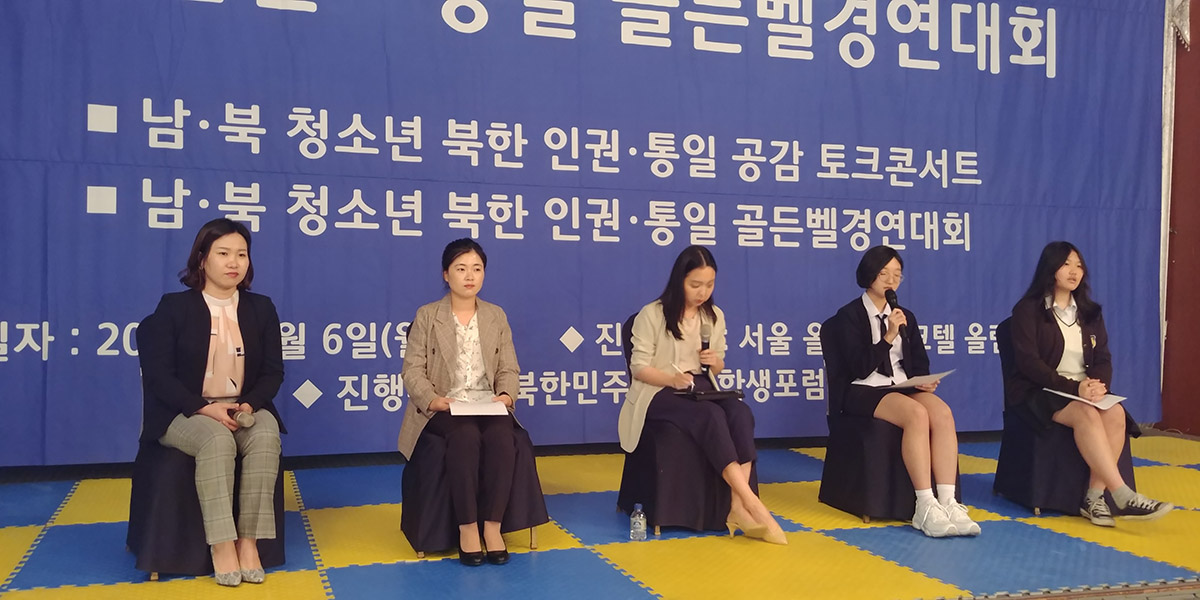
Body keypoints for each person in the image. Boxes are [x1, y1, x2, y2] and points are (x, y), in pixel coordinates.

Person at [139, 218, 284, 586]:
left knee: (266, 435)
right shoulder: (173, 307)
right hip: (184, 410)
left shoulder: (261, 308)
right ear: (202, 259)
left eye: (242, 254)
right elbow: (158, 377)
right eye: (223, 253)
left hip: (243, 407)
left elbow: (273, 372)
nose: (234, 262)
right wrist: (204, 408)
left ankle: (249, 543)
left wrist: (249, 404)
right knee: (217, 440)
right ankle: (222, 545)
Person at [618, 245, 787, 545]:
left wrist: (714, 362)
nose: (703, 292)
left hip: (699, 386)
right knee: (709, 415)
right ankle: (752, 501)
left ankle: (737, 505)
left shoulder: (714, 315)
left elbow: (718, 365)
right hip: (657, 390)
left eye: (709, 285)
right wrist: (672, 379)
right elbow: (639, 368)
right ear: (679, 280)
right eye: (695, 285)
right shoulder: (652, 314)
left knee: (740, 412)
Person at [1008, 241, 1173, 526]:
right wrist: (1076, 389)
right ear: (1050, 269)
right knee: (1086, 414)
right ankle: (1122, 494)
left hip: (1083, 389)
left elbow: (1103, 358)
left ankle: (1094, 497)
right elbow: (1028, 363)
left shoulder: (1090, 312)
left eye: (1079, 265)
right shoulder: (1028, 309)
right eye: (1066, 264)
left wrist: (1098, 386)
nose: (1074, 271)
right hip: (1041, 390)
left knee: (1115, 413)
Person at [822, 245, 979, 537]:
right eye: (884, 273)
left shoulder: (905, 315)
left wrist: (924, 381)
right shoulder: (848, 316)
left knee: (942, 413)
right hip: (862, 390)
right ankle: (924, 504)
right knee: (917, 415)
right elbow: (859, 367)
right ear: (869, 274)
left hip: (901, 386)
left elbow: (919, 362)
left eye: (897, 274)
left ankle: (949, 502)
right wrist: (888, 335)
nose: (891, 280)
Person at [398, 238, 526, 566]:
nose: (470, 276)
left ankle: (492, 526)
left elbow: (509, 367)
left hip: (487, 402)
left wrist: (506, 395)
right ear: (446, 274)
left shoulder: (496, 315)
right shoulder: (428, 316)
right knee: (465, 436)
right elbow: (412, 370)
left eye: (477, 269)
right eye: (461, 268)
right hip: (445, 405)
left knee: (503, 436)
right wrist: (433, 400)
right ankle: (467, 527)